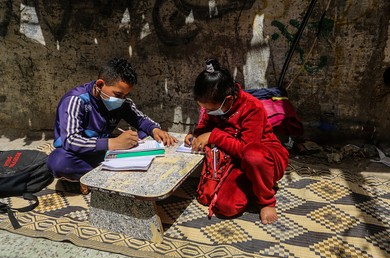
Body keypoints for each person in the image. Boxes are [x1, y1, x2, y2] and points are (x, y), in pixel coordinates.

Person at [47, 57, 177, 193]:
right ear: (99, 85)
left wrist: (155, 129)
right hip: (79, 155)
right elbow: (71, 140)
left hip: (104, 152)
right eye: (118, 94)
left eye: (125, 95)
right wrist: (113, 143)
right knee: (58, 162)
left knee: (144, 135)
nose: (121, 99)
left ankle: (100, 176)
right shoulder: (75, 100)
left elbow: (140, 119)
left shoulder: (121, 102)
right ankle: (98, 175)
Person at [185, 58, 289, 224]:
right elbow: (204, 126)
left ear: (228, 99)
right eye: (205, 109)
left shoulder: (252, 107)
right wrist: (196, 135)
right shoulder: (213, 107)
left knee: (253, 156)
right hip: (234, 159)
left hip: (263, 160)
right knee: (224, 206)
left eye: (211, 109)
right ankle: (252, 186)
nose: (208, 112)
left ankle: (266, 199)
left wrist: (213, 136)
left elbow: (245, 149)